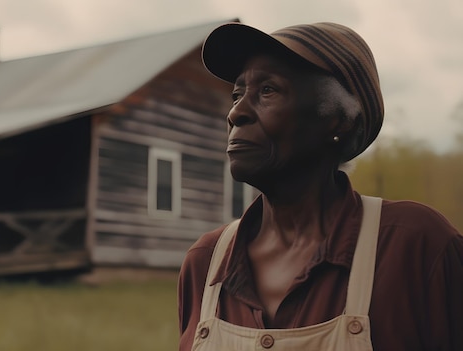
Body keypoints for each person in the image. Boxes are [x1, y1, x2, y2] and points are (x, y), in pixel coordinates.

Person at [178, 21, 463, 351]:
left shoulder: (415, 247)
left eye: (267, 90)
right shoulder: (205, 262)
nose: (236, 113)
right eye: (236, 95)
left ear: (339, 120)